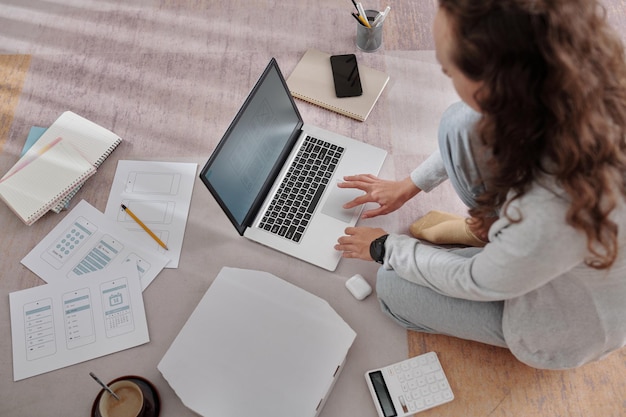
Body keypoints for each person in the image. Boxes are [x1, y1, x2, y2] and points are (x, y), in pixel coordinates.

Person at [334, 0, 626, 370]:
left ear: (495, 85)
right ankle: (497, 242)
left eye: (448, 70)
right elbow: (477, 124)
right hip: (541, 245)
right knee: (461, 123)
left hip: (561, 321)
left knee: (391, 287)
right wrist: (407, 186)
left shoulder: (551, 213)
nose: (446, 76)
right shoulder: (578, 82)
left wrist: (383, 247)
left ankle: (500, 247)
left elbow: (471, 279)